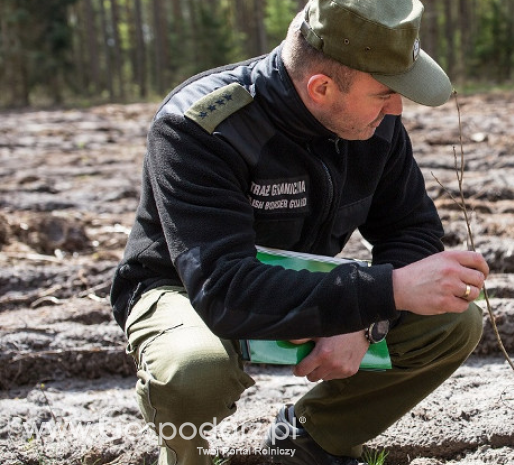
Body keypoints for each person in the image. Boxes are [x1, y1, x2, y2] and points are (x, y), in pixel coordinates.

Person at [109, 1, 489, 464]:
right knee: (193, 372)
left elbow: (411, 230)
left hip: (303, 283)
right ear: (322, 87)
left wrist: (369, 322)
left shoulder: (377, 124)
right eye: (385, 92)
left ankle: (308, 441)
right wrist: (384, 291)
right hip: (187, 288)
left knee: (452, 320)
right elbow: (224, 289)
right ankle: (186, 454)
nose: (397, 106)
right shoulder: (201, 128)